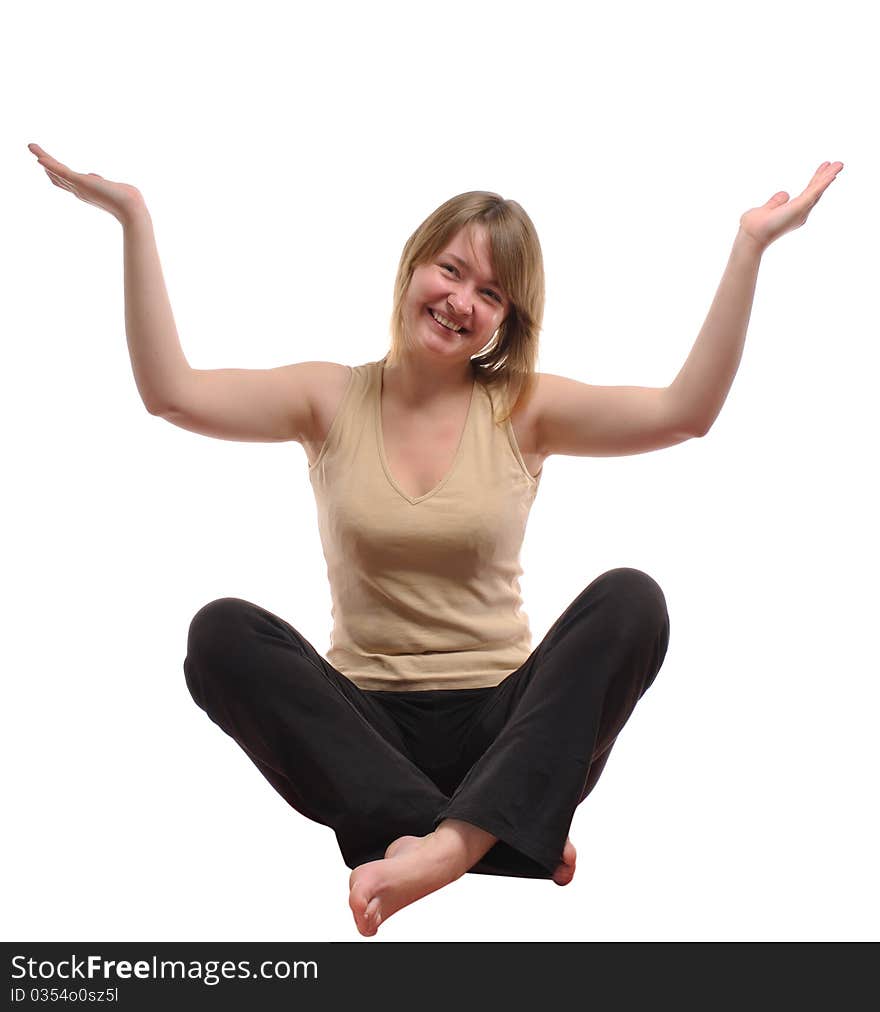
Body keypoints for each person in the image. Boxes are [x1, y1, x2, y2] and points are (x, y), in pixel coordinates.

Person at [29, 143, 843, 936]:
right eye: (451, 271)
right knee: (219, 633)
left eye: (490, 293)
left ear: (506, 320)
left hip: (510, 728)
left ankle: (442, 846)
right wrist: (132, 216)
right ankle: (495, 837)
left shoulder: (523, 406)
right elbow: (171, 393)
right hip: (364, 737)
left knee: (633, 597)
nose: (462, 301)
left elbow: (684, 413)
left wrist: (749, 247)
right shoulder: (329, 397)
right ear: (414, 265)